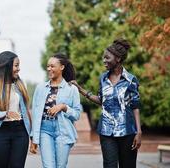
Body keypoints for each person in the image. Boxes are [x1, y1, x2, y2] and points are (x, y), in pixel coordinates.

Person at [71, 38, 142, 168]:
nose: (104, 61)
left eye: (107, 58)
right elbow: (101, 100)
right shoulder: (103, 78)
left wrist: (139, 131)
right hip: (106, 131)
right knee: (109, 165)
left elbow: (135, 106)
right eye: (104, 58)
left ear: (118, 59)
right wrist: (81, 90)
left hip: (128, 131)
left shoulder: (131, 80)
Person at [30, 53, 81, 168]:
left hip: (63, 131)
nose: (49, 69)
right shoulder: (40, 88)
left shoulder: (72, 89)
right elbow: (35, 114)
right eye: (48, 66)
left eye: (52, 66)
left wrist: (63, 107)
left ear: (62, 67)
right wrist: (33, 138)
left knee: (61, 166)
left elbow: (77, 114)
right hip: (44, 130)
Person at [0, 51, 31, 168]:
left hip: (20, 131)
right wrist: (5, 114)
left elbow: (26, 110)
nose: (19, 69)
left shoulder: (20, 84)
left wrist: (32, 135)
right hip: (0, 132)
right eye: (16, 65)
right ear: (6, 66)